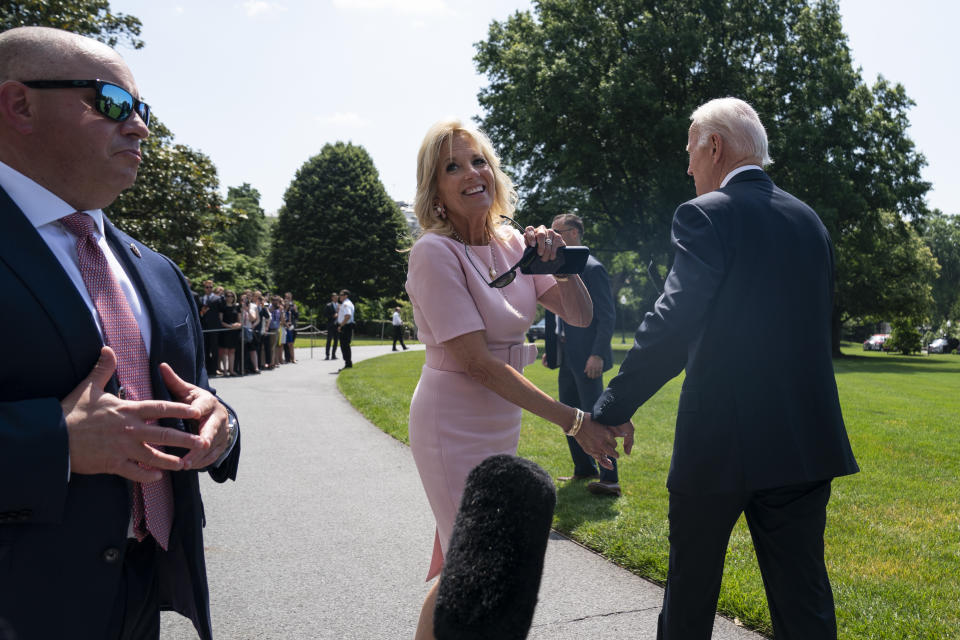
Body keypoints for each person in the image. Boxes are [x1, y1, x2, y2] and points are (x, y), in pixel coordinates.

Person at [0, 26, 240, 640]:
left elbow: (202, 395)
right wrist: (49, 443)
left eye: (143, 110)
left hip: (139, 593)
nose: (139, 127)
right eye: (112, 102)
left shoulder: (157, 271)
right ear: (19, 104)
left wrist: (221, 426)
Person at [590, 97, 859, 639]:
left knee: (690, 598)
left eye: (690, 151)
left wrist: (611, 407)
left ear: (713, 146)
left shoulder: (706, 213)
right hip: (804, 443)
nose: (687, 166)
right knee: (804, 603)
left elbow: (673, 322)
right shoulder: (810, 221)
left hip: (719, 443)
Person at [405, 118, 629, 640]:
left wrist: (562, 265)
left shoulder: (512, 243)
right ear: (435, 190)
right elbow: (478, 364)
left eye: (478, 160)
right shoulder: (433, 253)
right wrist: (576, 421)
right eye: (452, 167)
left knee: (465, 562)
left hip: (499, 417)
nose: (470, 173)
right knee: (470, 560)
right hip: (450, 421)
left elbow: (578, 316)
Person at [542, 213, 618, 496]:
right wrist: (553, 351)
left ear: (573, 234)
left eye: (557, 231)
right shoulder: (557, 265)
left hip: (588, 358)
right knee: (571, 415)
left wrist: (597, 354)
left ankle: (610, 478)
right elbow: (556, 315)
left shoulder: (593, 268)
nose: (551, 236)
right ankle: (584, 469)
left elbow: (607, 316)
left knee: (596, 417)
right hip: (568, 358)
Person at [198, 279, 222, 375]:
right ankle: (207, 369)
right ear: (204, 288)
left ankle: (215, 368)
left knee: (214, 348)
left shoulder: (217, 299)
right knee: (205, 349)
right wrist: (202, 312)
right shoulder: (200, 299)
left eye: (211, 287)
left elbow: (221, 312)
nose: (209, 289)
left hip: (214, 327)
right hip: (204, 327)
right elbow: (199, 313)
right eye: (207, 287)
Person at [218, 290, 241, 376]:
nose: (230, 297)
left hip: (234, 332)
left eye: (231, 296)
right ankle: (224, 371)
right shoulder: (222, 307)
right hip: (225, 331)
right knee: (225, 351)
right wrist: (229, 326)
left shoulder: (236, 307)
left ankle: (231, 370)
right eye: (228, 296)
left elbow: (240, 320)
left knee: (232, 351)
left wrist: (237, 325)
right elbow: (221, 321)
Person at [336, 289, 355, 370]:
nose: (339, 296)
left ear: (346, 296)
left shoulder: (346, 304)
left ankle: (348, 364)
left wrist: (341, 325)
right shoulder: (347, 303)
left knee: (344, 346)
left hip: (345, 326)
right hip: (347, 326)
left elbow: (347, 316)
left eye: (341, 294)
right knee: (345, 345)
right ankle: (348, 363)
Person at [283, 291, 298, 364]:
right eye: (286, 297)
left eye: (288, 297)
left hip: (292, 326)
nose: (287, 299)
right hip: (284, 326)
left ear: (291, 297)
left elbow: (296, 316)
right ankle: (287, 358)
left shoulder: (293, 306)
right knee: (285, 344)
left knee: (291, 343)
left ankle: (292, 358)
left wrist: (295, 310)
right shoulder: (282, 306)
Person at [324, 291, 339, 360]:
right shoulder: (328, 305)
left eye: (337, 297)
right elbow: (325, 315)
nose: (336, 299)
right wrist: (333, 316)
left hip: (337, 325)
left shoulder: (339, 305)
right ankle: (327, 355)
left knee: (336, 341)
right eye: (335, 297)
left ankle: (333, 355)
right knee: (329, 340)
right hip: (330, 325)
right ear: (332, 298)